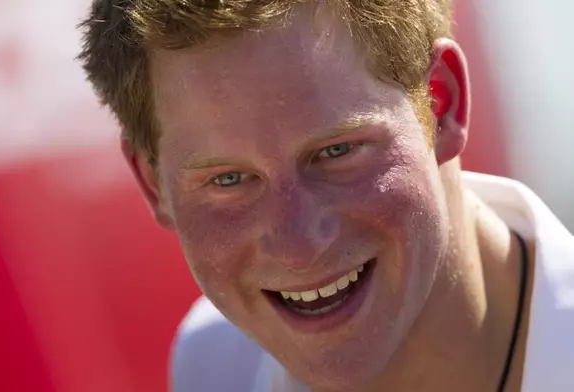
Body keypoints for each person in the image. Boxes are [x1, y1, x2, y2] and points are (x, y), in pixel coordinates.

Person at [78, 1, 574, 391]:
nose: (297, 248)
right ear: (153, 183)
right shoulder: (214, 364)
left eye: (336, 151)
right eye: (229, 179)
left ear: (440, 104)